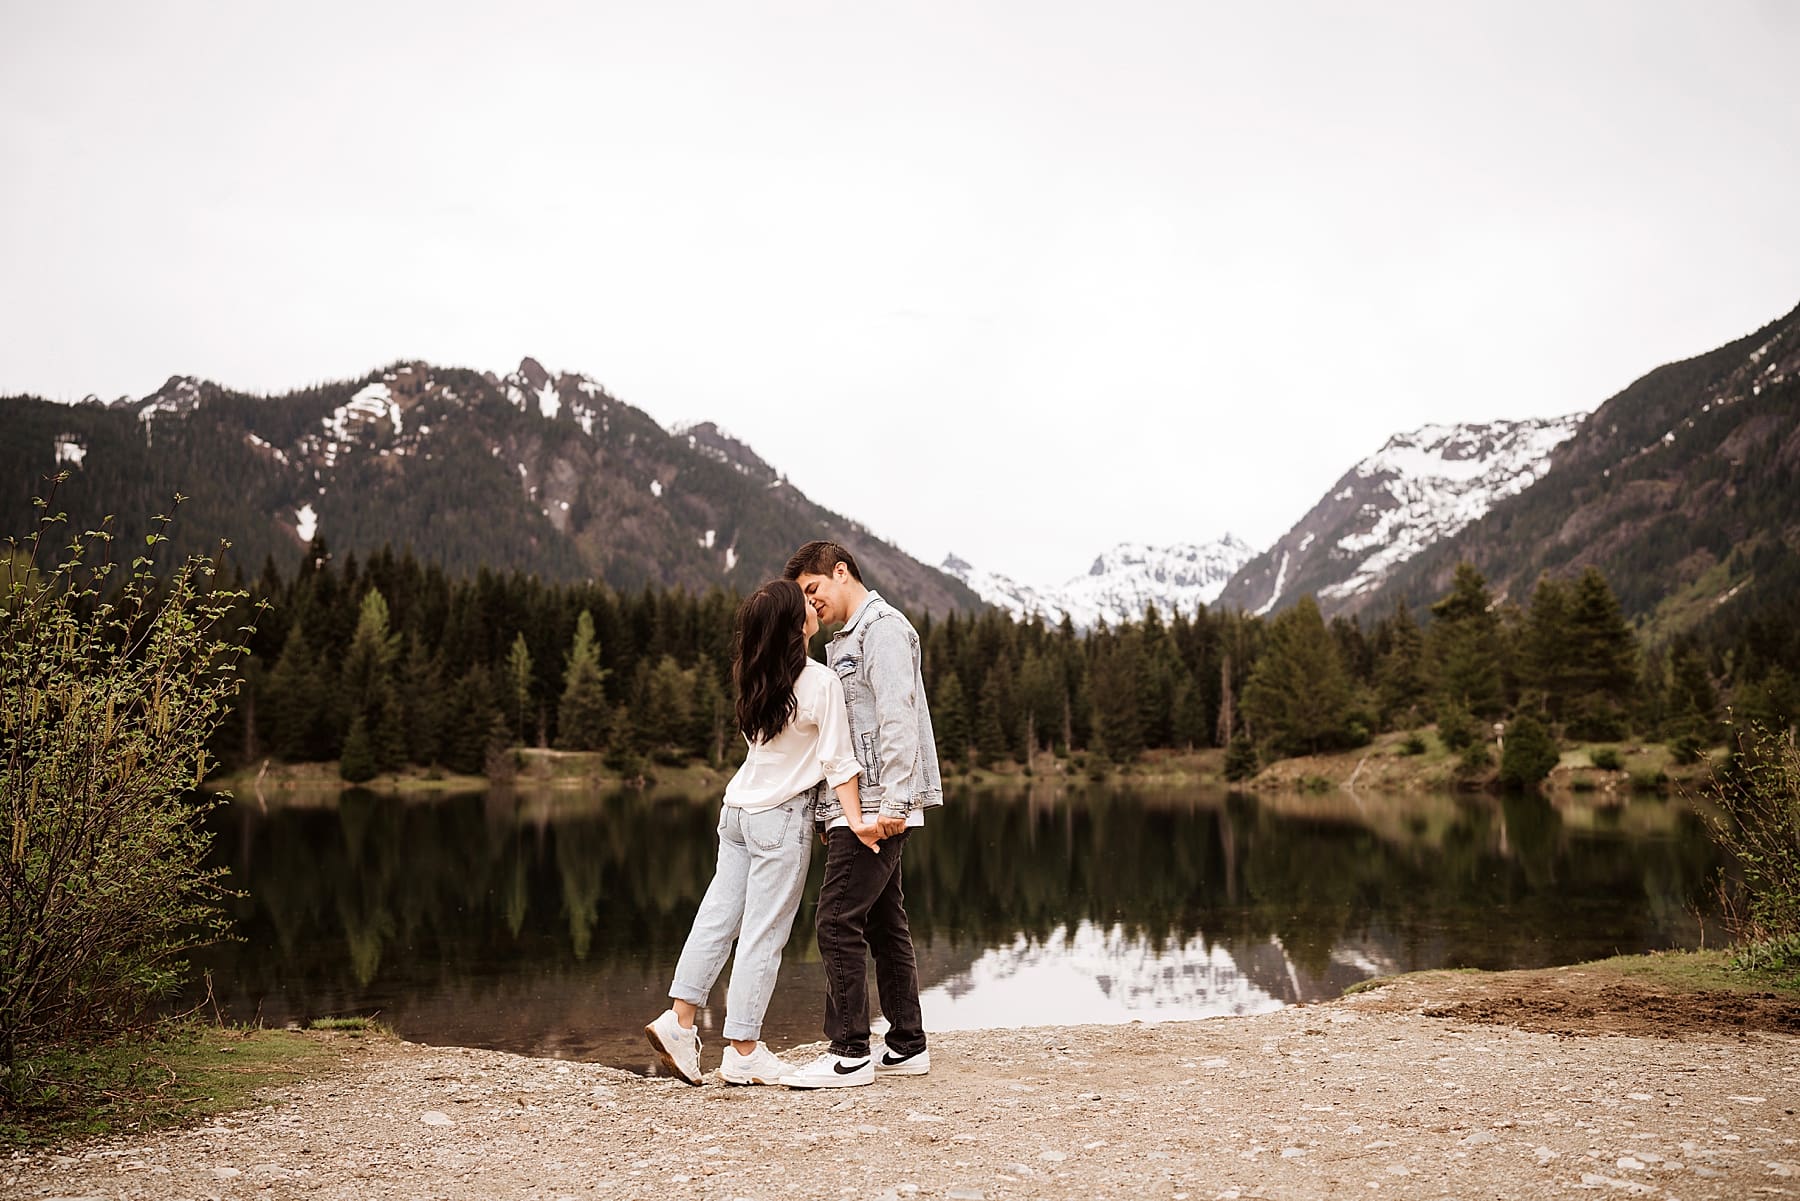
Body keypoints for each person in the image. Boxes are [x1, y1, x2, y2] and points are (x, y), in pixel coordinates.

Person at [644, 579, 880, 1086]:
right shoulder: (819, 683)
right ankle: (743, 1050)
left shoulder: (755, 676)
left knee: (717, 918)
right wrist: (856, 820)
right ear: (798, 625)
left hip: (736, 813)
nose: (812, 606)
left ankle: (679, 1021)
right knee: (762, 936)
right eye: (804, 606)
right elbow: (839, 763)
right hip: (778, 819)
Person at [777, 541, 943, 1089]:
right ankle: (907, 1043)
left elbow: (897, 717)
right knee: (882, 921)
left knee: (834, 920)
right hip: (859, 804)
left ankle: (849, 1052)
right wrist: (832, 809)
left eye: (813, 590)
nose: (810, 604)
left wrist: (894, 804)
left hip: (875, 807)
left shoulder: (883, 630)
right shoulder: (846, 640)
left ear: (840, 572)